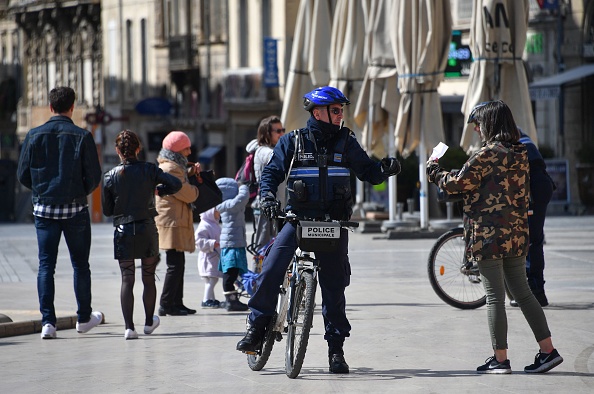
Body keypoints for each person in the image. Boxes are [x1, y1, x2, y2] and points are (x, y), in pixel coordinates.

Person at [235, 86, 401, 374]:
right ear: (318, 112)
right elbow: (272, 174)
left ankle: (336, 350)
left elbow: (368, 172)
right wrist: (268, 198)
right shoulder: (293, 141)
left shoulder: (347, 141)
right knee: (271, 268)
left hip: (334, 224)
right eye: (336, 110)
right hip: (298, 220)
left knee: (335, 287)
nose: (340, 115)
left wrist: (385, 169)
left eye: (341, 110)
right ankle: (258, 325)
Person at [426, 100, 563, 374]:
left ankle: (500, 359)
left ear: (489, 123)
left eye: (478, 123)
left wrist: (434, 169)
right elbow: (486, 184)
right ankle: (548, 351)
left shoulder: (486, 154)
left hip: (489, 236)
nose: (476, 129)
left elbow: (457, 183)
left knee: (494, 297)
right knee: (523, 293)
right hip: (516, 234)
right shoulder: (521, 152)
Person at [16, 86, 104, 339]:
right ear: (72, 107)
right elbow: (94, 176)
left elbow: (23, 174)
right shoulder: (82, 136)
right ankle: (84, 318)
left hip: (44, 210)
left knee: (46, 266)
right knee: (80, 265)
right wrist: (78, 192)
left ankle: (48, 323)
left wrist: (43, 191)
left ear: (51, 107)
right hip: (75, 209)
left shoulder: (33, 135)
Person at [102, 130, 182, 339]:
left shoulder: (110, 176)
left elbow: (107, 210)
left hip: (123, 230)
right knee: (148, 277)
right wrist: (159, 190)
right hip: (147, 228)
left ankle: (129, 328)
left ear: (117, 150)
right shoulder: (149, 170)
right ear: (139, 149)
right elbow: (176, 184)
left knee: (127, 279)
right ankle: (148, 322)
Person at [155, 131, 201, 316]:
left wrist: (190, 172)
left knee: (178, 263)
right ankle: (166, 304)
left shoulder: (174, 166)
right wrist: (196, 190)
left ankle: (177, 302)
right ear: (176, 150)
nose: (189, 152)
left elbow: (181, 177)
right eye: (186, 148)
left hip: (175, 219)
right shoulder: (170, 169)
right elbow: (186, 192)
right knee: (174, 264)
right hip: (172, 221)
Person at [509, 130, 555, 307]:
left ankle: (536, 292)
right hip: (535, 185)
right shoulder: (514, 133)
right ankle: (531, 289)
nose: (476, 129)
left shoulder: (510, 138)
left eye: (477, 124)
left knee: (532, 240)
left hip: (535, 188)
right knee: (529, 238)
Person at [249, 115, 286, 253]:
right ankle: (259, 274)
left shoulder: (275, 150)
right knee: (262, 249)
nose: (282, 133)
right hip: (265, 208)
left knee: (275, 248)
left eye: (283, 130)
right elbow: (274, 157)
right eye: (278, 131)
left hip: (277, 208)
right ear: (266, 134)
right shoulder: (263, 151)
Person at [215, 177, 250, 312]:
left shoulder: (225, 204)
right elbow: (242, 198)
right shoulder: (228, 204)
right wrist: (243, 186)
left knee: (232, 271)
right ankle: (231, 301)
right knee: (231, 272)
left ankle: (231, 298)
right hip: (232, 243)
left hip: (233, 241)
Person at [195, 207, 223, 308]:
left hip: (213, 257)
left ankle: (211, 298)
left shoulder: (214, 224)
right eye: (217, 211)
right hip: (208, 258)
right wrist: (211, 243)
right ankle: (206, 299)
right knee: (212, 278)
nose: (219, 213)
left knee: (211, 279)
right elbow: (198, 241)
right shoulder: (204, 225)